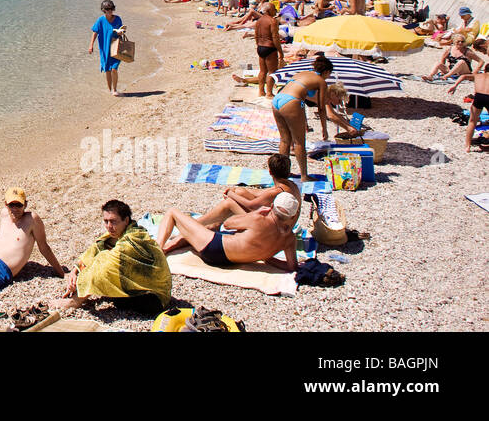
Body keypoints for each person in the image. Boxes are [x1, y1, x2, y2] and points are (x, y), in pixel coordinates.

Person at [55, 200, 171, 314]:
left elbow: (103, 270)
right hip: (142, 288)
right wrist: (75, 271)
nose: (109, 226)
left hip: (155, 296)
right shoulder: (121, 233)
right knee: (106, 276)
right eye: (106, 221)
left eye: (113, 221)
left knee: (111, 286)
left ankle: (74, 302)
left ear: (126, 220)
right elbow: (95, 249)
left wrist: (78, 293)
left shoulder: (133, 240)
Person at [156, 192, 299, 273]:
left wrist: (253, 214)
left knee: (172, 213)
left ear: (272, 206)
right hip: (230, 261)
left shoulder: (259, 219)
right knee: (210, 229)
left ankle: (157, 249)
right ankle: (169, 247)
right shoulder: (290, 239)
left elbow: (228, 224)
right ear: (292, 216)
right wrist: (268, 259)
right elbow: (292, 267)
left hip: (214, 249)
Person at [270, 54, 335, 182]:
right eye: (329, 74)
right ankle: (304, 176)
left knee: (284, 140)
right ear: (326, 71)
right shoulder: (321, 81)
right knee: (299, 142)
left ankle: (283, 174)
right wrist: (324, 129)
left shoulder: (303, 73)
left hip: (277, 99)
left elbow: (302, 98)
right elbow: (322, 108)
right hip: (291, 101)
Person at [88, 0, 124, 96]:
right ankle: (110, 90)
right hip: (104, 48)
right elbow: (95, 32)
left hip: (116, 47)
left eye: (111, 8)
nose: (110, 11)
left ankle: (115, 89)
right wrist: (91, 45)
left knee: (114, 68)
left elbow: (122, 30)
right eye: (108, 9)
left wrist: (121, 32)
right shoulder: (100, 20)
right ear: (104, 10)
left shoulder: (118, 19)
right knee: (107, 69)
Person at [447, 69, 489, 152]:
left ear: (484, 70)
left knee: (472, 121)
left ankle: (467, 146)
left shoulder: (478, 75)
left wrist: (455, 85)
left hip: (478, 97)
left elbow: (463, 76)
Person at [253, 3, 281, 97]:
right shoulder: (272, 21)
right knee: (272, 72)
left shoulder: (259, 21)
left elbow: (256, 36)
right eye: (274, 9)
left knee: (262, 71)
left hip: (260, 47)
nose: (276, 11)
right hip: (270, 47)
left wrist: (259, 45)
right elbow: (275, 38)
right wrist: (280, 51)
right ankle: (269, 93)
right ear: (269, 11)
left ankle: (261, 91)